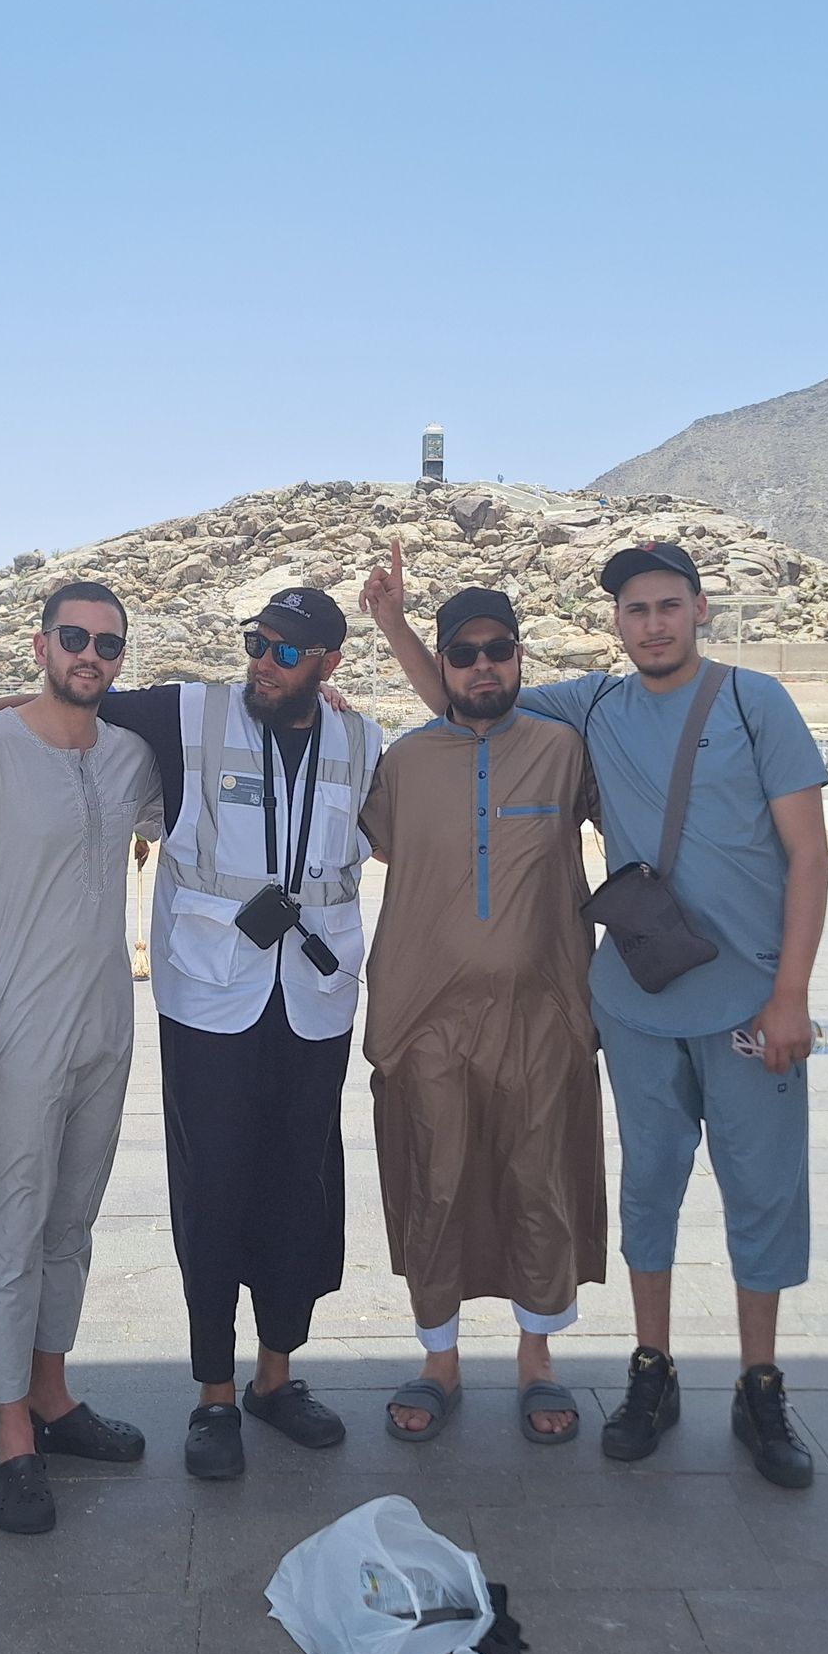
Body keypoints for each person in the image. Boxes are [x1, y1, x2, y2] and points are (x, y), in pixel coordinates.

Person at [363, 537, 828, 1486]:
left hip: (745, 996)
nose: (652, 624)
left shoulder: (747, 702)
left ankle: (761, 1386)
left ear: (699, 610)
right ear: (615, 625)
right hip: (639, 999)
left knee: (761, 1193)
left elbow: (810, 856)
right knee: (646, 1189)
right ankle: (647, 1373)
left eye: (667, 606)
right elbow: (459, 710)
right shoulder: (593, 709)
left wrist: (794, 994)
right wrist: (394, 627)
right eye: (635, 611)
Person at [0, 587, 383, 1479]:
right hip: (211, 997)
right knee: (212, 1190)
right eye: (255, 641)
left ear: (329, 662)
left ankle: (276, 1378)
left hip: (315, 1003)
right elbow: (64, 694)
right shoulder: (190, 713)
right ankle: (214, 1395)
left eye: (287, 651)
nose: (263, 660)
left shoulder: (363, 739)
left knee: (303, 1185)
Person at [0, 582, 163, 1534]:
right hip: (13, 1027)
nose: (90, 654)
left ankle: (52, 1397)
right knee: (13, 1220)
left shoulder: (132, 759)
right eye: (74, 637)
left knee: (72, 1222)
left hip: (104, 1025)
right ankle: (11, 1432)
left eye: (108, 643)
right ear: (42, 641)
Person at [358, 588, 604, 1446]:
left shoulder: (564, 750)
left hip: (541, 1012)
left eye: (497, 647)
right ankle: (440, 1360)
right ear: (445, 664)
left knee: (541, 1181)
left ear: (520, 656)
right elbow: (367, 843)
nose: (482, 665)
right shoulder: (402, 762)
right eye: (462, 654)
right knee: (437, 1181)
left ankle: (538, 1361)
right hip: (425, 1015)